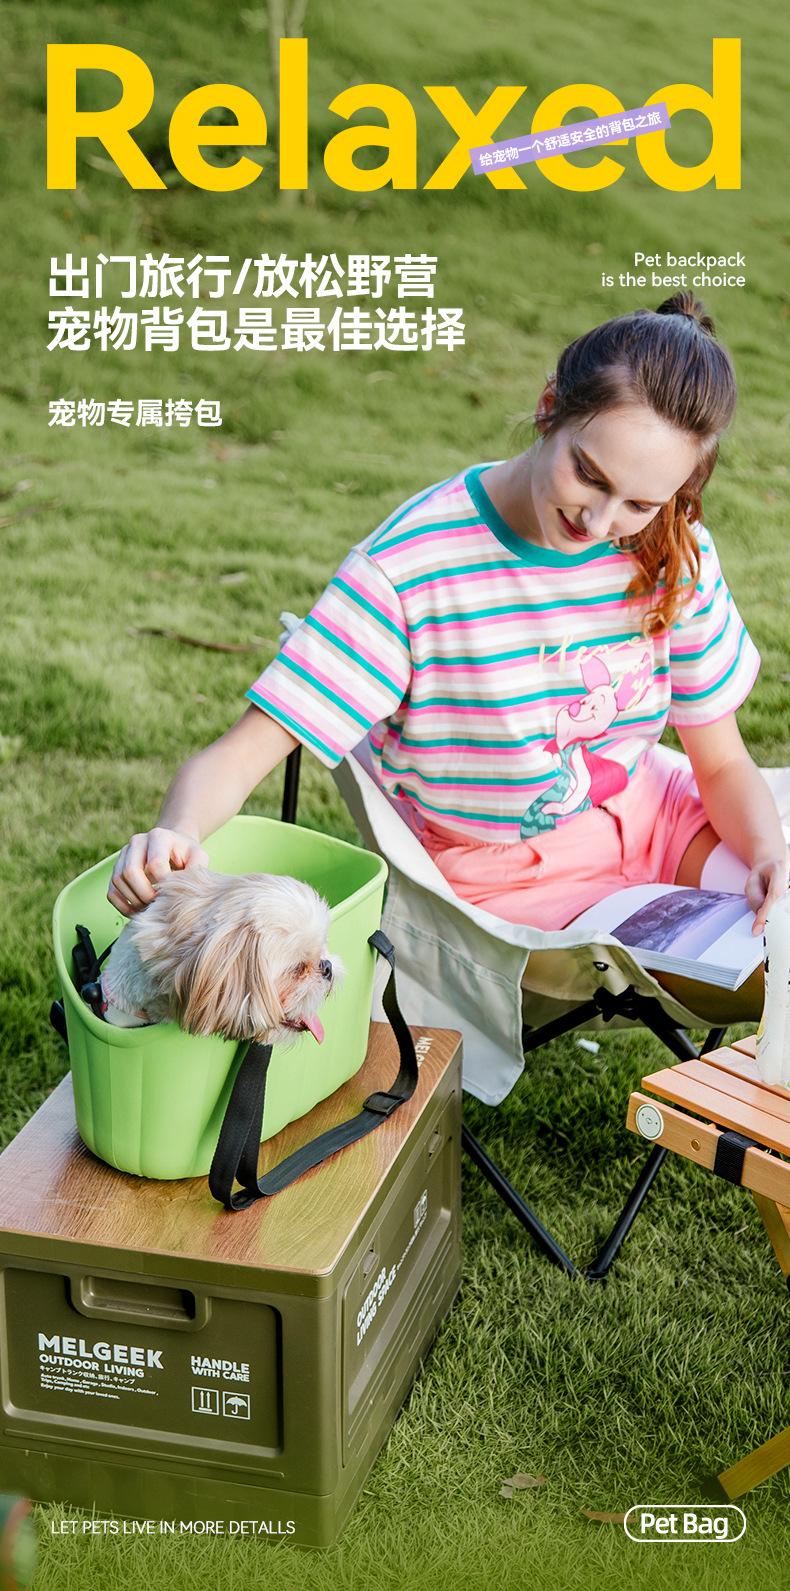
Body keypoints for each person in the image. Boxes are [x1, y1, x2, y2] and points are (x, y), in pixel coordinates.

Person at [109, 293, 788, 1024]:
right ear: (550, 407)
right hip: (505, 883)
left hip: (656, 817)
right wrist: (176, 833)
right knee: (755, 968)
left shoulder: (669, 548)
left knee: (778, 927)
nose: (600, 522)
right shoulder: (414, 568)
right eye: (589, 474)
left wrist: (766, 853)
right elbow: (242, 753)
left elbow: (720, 763)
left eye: (639, 503)